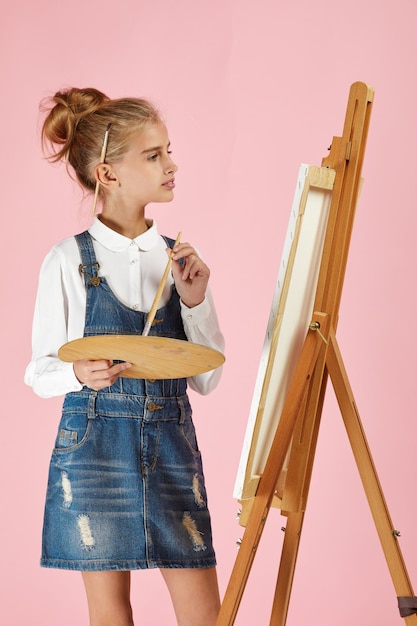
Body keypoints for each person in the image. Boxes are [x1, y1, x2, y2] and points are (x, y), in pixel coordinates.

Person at [25, 87, 225, 626]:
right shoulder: (68, 261)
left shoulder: (179, 261)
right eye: (154, 154)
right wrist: (76, 373)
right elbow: (38, 369)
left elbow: (206, 378)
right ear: (108, 174)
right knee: (109, 613)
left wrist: (196, 301)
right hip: (94, 447)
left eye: (168, 150)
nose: (171, 164)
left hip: (171, 444)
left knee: (205, 613)